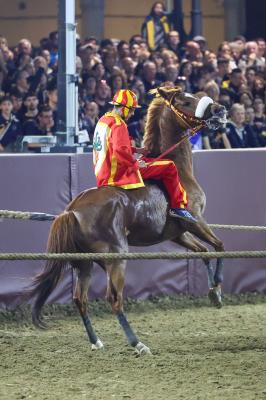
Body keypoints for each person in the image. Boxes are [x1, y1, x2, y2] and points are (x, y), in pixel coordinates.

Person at [92, 89, 196, 223]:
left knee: (149, 161)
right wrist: (135, 164)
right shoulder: (118, 124)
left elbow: (111, 146)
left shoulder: (104, 120)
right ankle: (178, 207)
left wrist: (137, 150)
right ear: (123, 108)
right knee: (169, 166)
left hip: (104, 174)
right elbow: (120, 152)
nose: (132, 113)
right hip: (118, 174)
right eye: (131, 110)